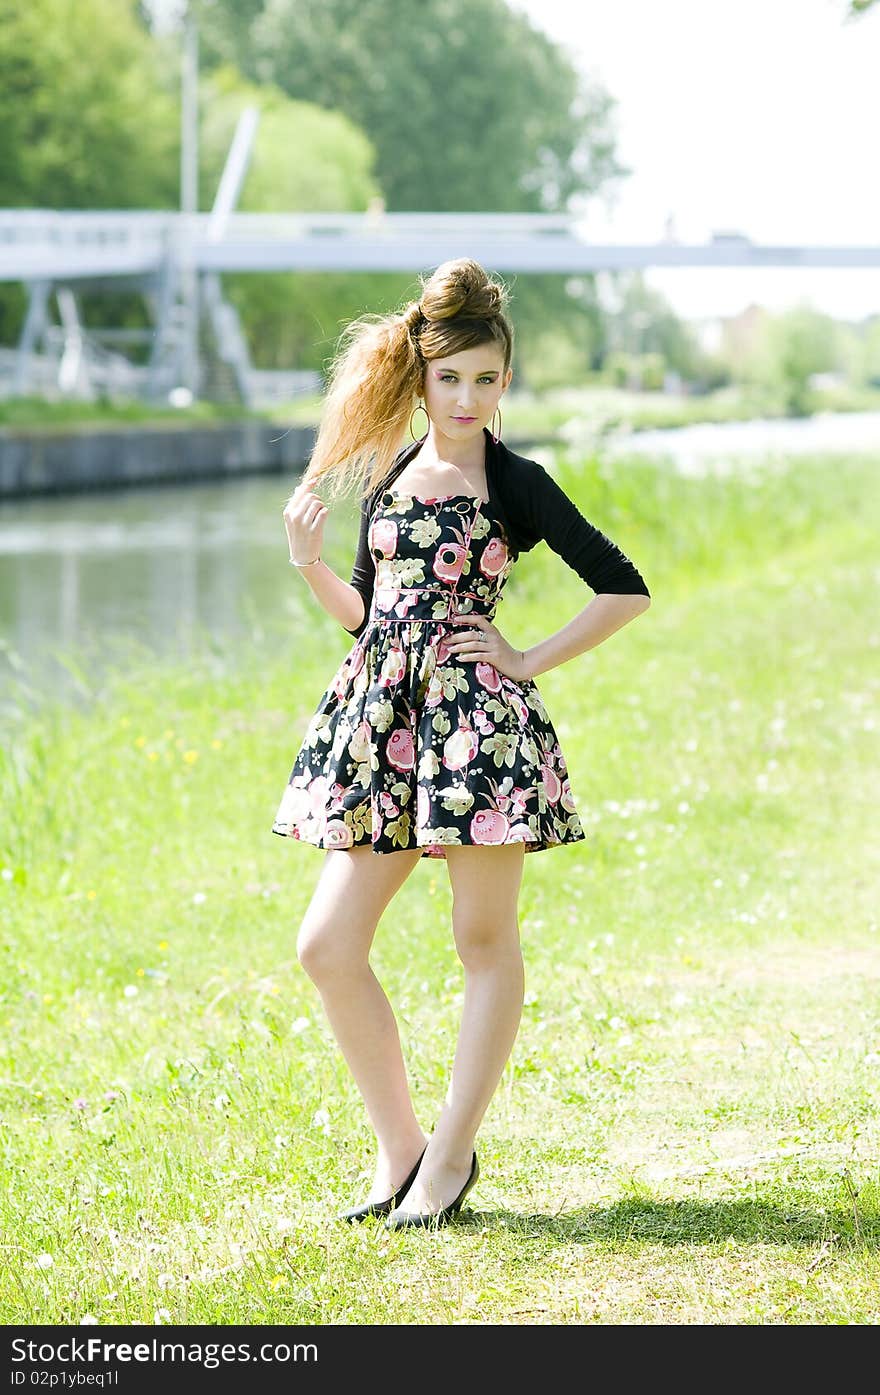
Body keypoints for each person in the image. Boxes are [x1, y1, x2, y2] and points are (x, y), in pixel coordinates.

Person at [273, 258, 651, 1229]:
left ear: (504, 383)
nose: (468, 397)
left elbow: (621, 586)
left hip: (478, 735)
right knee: (326, 944)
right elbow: (367, 618)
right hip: (385, 737)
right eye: (451, 379)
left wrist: (525, 659)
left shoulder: (515, 484)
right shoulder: (389, 474)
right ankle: (403, 1155)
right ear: (423, 375)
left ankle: (447, 1164)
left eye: (486, 380)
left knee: (482, 942)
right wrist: (310, 566)